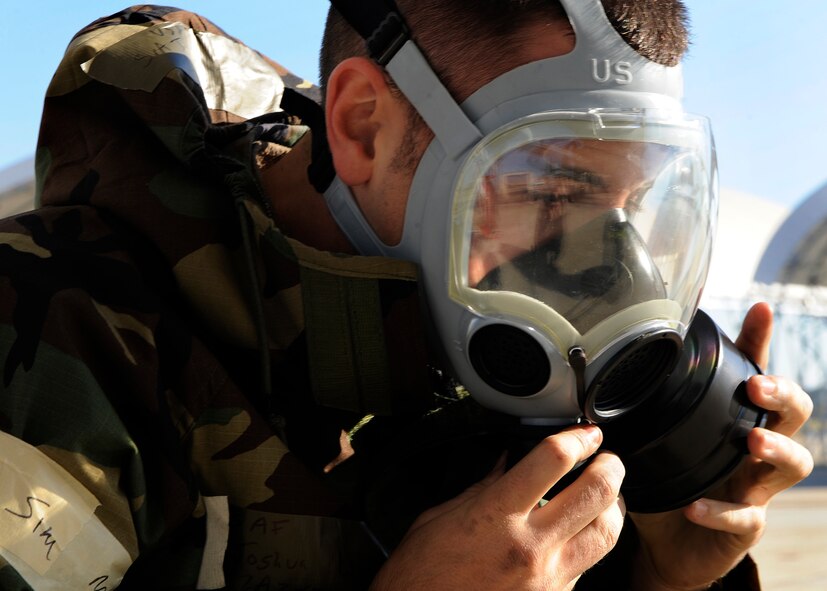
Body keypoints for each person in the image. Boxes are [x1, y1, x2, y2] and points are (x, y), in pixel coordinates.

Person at [0, 1, 813, 590]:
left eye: (629, 205)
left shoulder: (478, 372)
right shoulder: (56, 335)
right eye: (555, 190)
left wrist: (662, 578)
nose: (602, 266)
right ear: (361, 126)